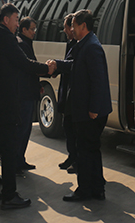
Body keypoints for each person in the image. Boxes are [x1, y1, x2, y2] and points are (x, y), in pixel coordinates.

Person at [0, 3, 54, 210]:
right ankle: (9, 195)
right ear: (6, 19)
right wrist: (47, 68)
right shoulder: (6, 38)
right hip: (4, 105)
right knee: (9, 149)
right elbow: (24, 63)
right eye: (16, 20)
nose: (17, 24)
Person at [48, 9, 112, 202]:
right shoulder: (84, 44)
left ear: (83, 26)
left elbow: (98, 81)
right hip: (87, 109)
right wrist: (58, 64)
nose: (71, 30)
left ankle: (85, 190)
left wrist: (93, 108)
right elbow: (74, 65)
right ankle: (97, 189)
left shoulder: (91, 47)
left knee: (85, 151)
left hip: (89, 112)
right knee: (91, 150)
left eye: (74, 26)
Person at [15, 17, 41, 174]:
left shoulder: (26, 43)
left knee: (26, 129)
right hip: (23, 94)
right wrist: (46, 69)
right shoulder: (21, 44)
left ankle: (20, 159)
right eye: (32, 29)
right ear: (24, 30)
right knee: (22, 129)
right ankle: (16, 162)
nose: (34, 32)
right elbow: (28, 67)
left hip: (28, 92)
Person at [55, 14, 78, 172]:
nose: (64, 30)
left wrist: (57, 65)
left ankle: (77, 160)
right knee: (67, 128)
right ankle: (72, 156)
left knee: (73, 130)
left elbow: (72, 65)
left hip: (73, 93)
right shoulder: (70, 43)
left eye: (66, 27)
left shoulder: (80, 45)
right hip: (66, 90)